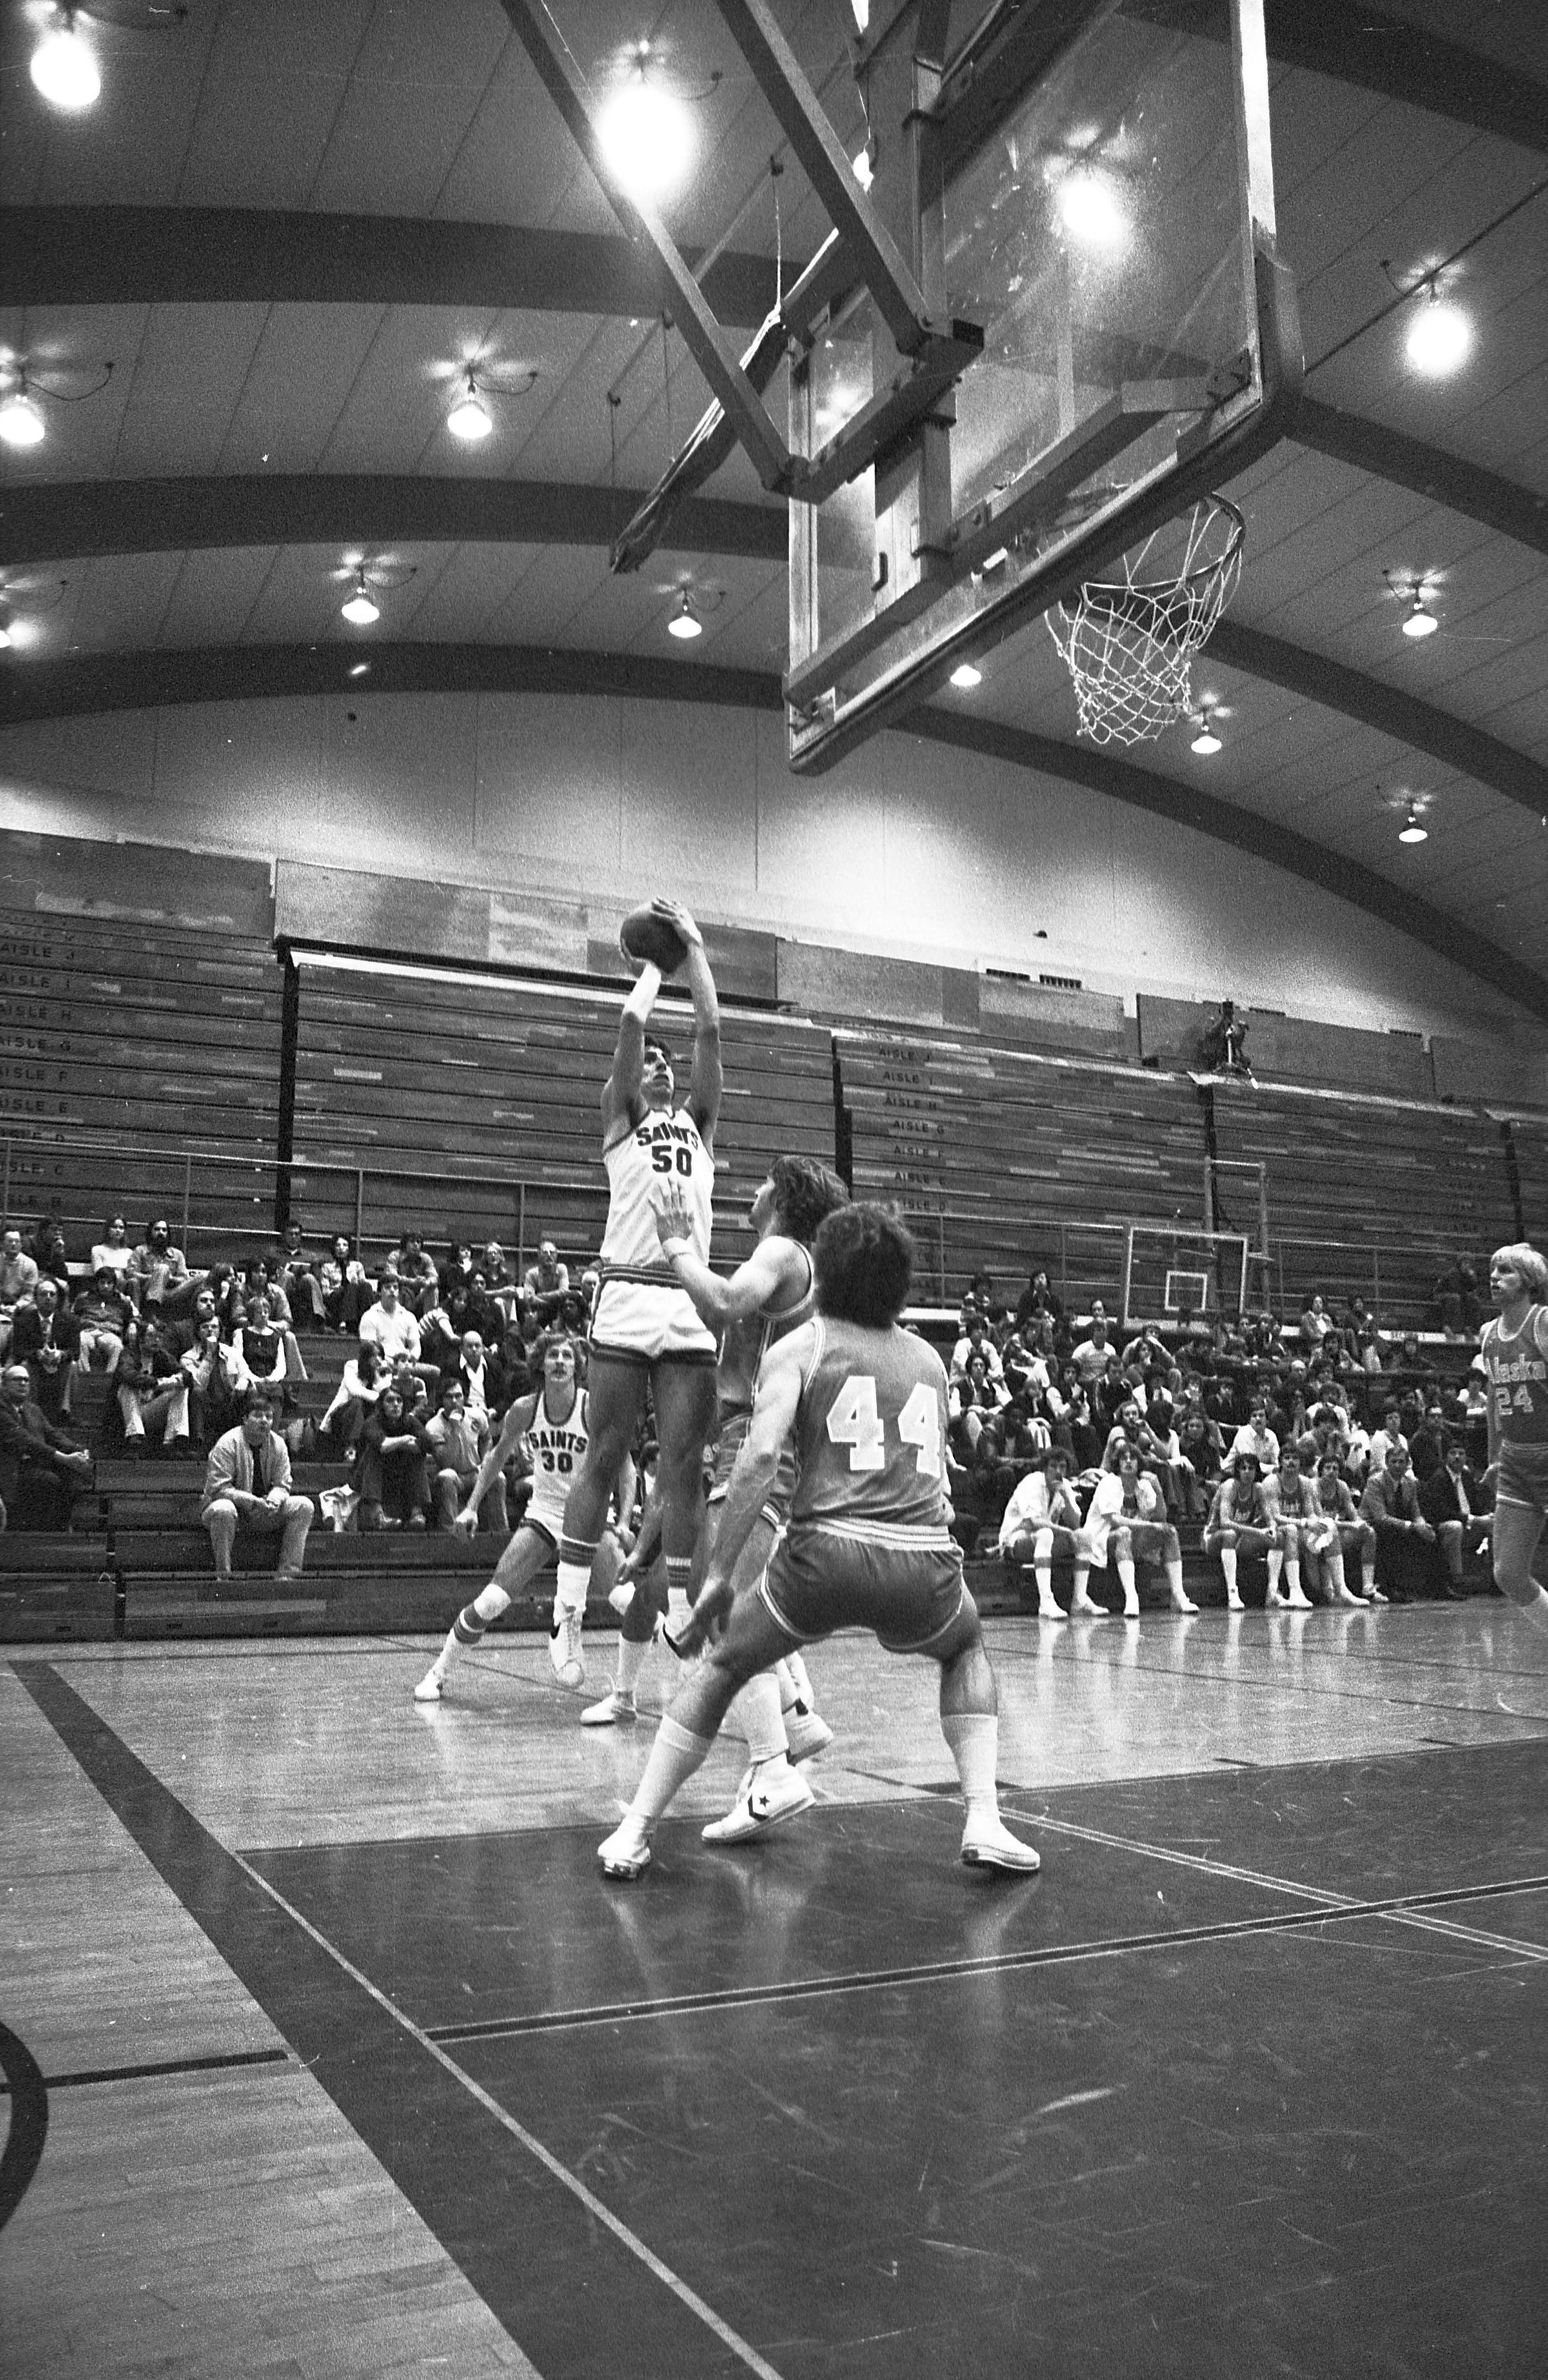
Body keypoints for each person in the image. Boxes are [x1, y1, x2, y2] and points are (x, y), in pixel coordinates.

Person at [597, 1204, 1040, 1880]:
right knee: (965, 1648)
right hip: (922, 1563)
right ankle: (984, 1818)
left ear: (825, 1274)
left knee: (724, 1667)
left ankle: (634, 1833)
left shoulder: (801, 1345)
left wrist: (720, 1576)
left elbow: (759, 1458)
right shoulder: (931, 1361)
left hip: (825, 1559)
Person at [586, 1153, 851, 1847]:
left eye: (765, 1182)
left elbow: (727, 1301)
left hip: (759, 1439)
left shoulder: (782, 1251)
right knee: (735, 1598)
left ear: (784, 1197)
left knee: (721, 1603)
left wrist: (675, 1245)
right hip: (770, 1438)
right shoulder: (805, 1267)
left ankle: (772, 1767)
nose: (753, 1190)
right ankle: (793, 1719)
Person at [547, 898, 721, 1691]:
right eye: (648, 1061)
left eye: (665, 1063)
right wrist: (655, 966)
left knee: (683, 1467)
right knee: (606, 1453)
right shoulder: (619, 1118)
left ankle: (684, 1613)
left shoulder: (698, 1125)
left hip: (686, 1299)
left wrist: (696, 948)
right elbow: (628, 1023)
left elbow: (710, 1032)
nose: (659, 1065)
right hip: (625, 1290)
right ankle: (567, 1611)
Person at [413, 1333, 631, 1701]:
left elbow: (626, 1467)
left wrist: (623, 1521)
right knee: (492, 1601)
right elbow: (497, 1457)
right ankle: (438, 1674)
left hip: (590, 1514)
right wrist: (471, 1506)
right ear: (540, 1364)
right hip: (544, 1513)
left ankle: (679, 1662)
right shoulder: (526, 1409)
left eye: (567, 1356)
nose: (560, 1361)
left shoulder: (593, 1408)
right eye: (553, 1355)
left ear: (577, 1366)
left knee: (627, 1600)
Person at [1478, 1242, 1548, 1629]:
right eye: (1493, 1269)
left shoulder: (1542, 1323)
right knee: (1508, 1573)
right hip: (1516, 1461)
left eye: (1506, 1271)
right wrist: (1494, 1458)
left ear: (1529, 1280)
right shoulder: (1488, 1334)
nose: (1494, 1277)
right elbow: (1494, 1400)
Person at [201, 1393, 314, 1578]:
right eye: (258, 1416)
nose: (264, 1421)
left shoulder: (278, 1444)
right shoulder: (227, 1443)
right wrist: (252, 1501)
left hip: (265, 1510)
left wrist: (273, 1500)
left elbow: (283, 1484)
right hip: (231, 1511)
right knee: (223, 1508)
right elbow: (219, 1490)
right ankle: (224, 1577)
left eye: (269, 1417)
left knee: (304, 1505)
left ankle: (287, 1576)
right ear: (245, 1419)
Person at [998, 1445, 1104, 1620]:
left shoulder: (1065, 1486)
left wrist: (1066, 1498)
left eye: (1062, 1467)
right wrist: (1065, 1531)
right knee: (1045, 1533)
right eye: (1053, 1466)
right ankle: (1046, 1602)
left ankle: (1080, 1600)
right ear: (1045, 1468)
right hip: (1014, 1542)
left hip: (1043, 1542)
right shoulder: (1031, 1483)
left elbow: (1075, 1524)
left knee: (1084, 1537)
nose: (1058, 1471)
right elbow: (1034, 1522)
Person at [0, 1360, 93, 1528]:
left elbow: (54, 1436)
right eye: (17, 1379)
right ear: (4, 1385)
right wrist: (62, 1457)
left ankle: (59, 1528)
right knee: (49, 1480)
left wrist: (80, 1450)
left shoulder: (33, 1410)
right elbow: (25, 1440)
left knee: (73, 1476)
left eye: (26, 1380)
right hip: (12, 1470)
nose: (23, 1383)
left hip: (38, 1464)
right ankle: (42, 1530)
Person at [425, 1380, 507, 1532]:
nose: (454, 1401)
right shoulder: (434, 1426)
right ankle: (450, 1533)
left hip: (475, 1473)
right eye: (449, 1397)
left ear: (465, 1398)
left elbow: (487, 1438)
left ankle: (501, 1533)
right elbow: (445, 1462)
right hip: (453, 1476)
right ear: (442, 1400)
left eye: (458, 1396)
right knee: (447, 1476)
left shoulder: (477, 1416)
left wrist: (485, 1460)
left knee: (498, 1476)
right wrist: (454, 1431)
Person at [1261, 1447, 1332, 1610]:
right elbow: (1275, 1517)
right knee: (1292, 1531)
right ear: (1280, 1462)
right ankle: (1295, 1591)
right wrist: (1305, 1523)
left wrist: (1317, 1523)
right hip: (1271, 1530)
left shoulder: (1305, 1483)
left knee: (1328, 1529)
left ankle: (1332, 1590)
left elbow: (1311, 1513)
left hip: (1295, 1530)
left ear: (1300, 1463)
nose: (1291, 1462)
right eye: (1287, 1458)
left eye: (1295, 1458)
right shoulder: (1272, 1482)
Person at [1418, 1438, 1491, 1598]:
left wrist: (1486, 1516)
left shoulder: (1466, 1476)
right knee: (1455, 1526)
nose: (1457, 1457)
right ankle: (1456, 1579)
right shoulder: (1439, 1478)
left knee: (1492, 1523)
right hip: (1441, 1526)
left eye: (1461, 1454)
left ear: (1466, 1457)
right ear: (1446, 1457)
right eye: (1453, 1453)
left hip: (1467, 1523)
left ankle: (1495, 1578)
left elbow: (1476, 1504)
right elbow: (1442, 1512)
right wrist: (1473, 1520)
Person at [1204, 1453, 1276, 1611]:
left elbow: (1270, 1518)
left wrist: (1272, 1529)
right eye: (1243, 1468)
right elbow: (1225, 1522)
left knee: (1279, 1537)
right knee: (1230, 1534)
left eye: (1251, 1468)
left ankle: (1274, 1593)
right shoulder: (1229, 1487)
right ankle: (1233, 1594)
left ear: (1256, 1471)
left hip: (1241, 1539)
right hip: (1213, 1537)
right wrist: (1258, 1533)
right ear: (1237, 1471)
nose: (1247, 1472)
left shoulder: (1258, 1489)